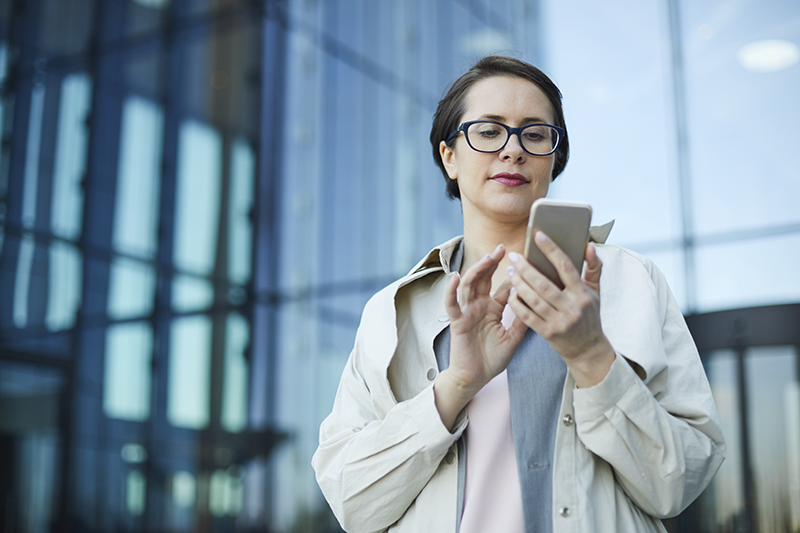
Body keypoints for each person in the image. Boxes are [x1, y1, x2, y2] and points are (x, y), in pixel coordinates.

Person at [311, 55, 725, 533]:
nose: (513, 150)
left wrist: (592, 357)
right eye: (487, 132)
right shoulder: (393, 311)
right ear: (449, 156)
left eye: (534, 134)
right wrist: (457, 384)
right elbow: (351, 501)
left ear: (554, 157)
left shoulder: (630, 281)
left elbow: (679, 483)